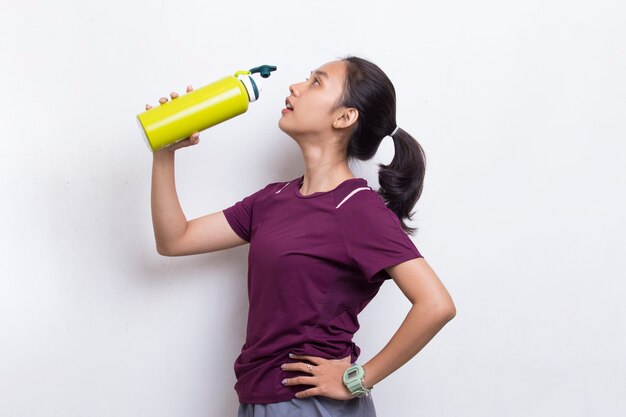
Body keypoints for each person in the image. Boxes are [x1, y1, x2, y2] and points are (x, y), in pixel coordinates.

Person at [147, 56, 456, 417]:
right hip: (257, 398)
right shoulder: (272, 200)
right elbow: (175, 240)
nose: (295, 87)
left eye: (316, 82)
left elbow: (436, 305)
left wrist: (359, 378)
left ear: (344, 118)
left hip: (309, 405)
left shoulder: (357, 208)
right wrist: (165, 153)